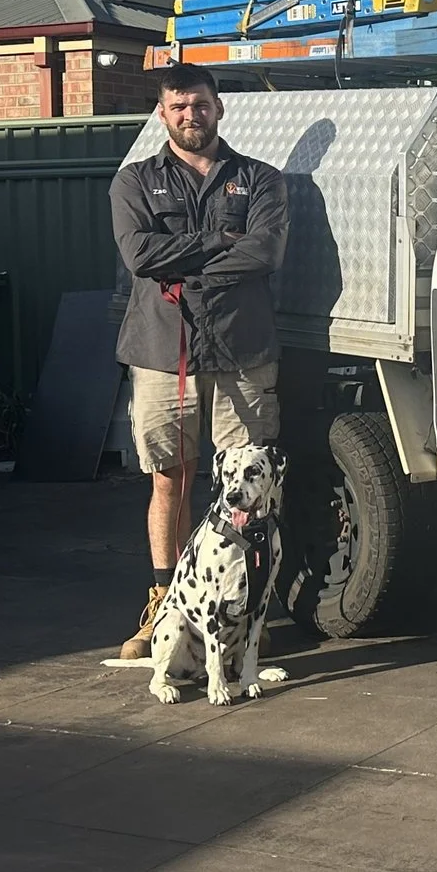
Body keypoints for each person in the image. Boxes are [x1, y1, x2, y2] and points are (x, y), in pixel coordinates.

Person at [110, 63, 289, 659]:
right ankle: (165, 606)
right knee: (172, 479)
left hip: (244, 351)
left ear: (220, 108)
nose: (192, 115)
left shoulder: (260, 180)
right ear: (163, 113)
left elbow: (265, 252)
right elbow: (140, 255)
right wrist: (218, 242)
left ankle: (247, 612)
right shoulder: (135, 181)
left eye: (201, 104)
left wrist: (183, 263)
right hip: (164, 352)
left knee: (248, 486)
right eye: (179, 106)